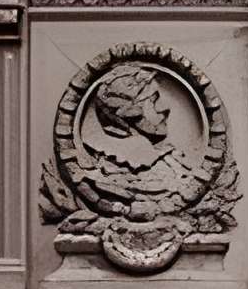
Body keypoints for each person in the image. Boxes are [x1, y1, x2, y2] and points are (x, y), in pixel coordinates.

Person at [81, 63, 206, 207]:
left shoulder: (172, 162)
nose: (164, 108)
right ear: (130, 112)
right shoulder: (112, 172)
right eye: (152, 100)